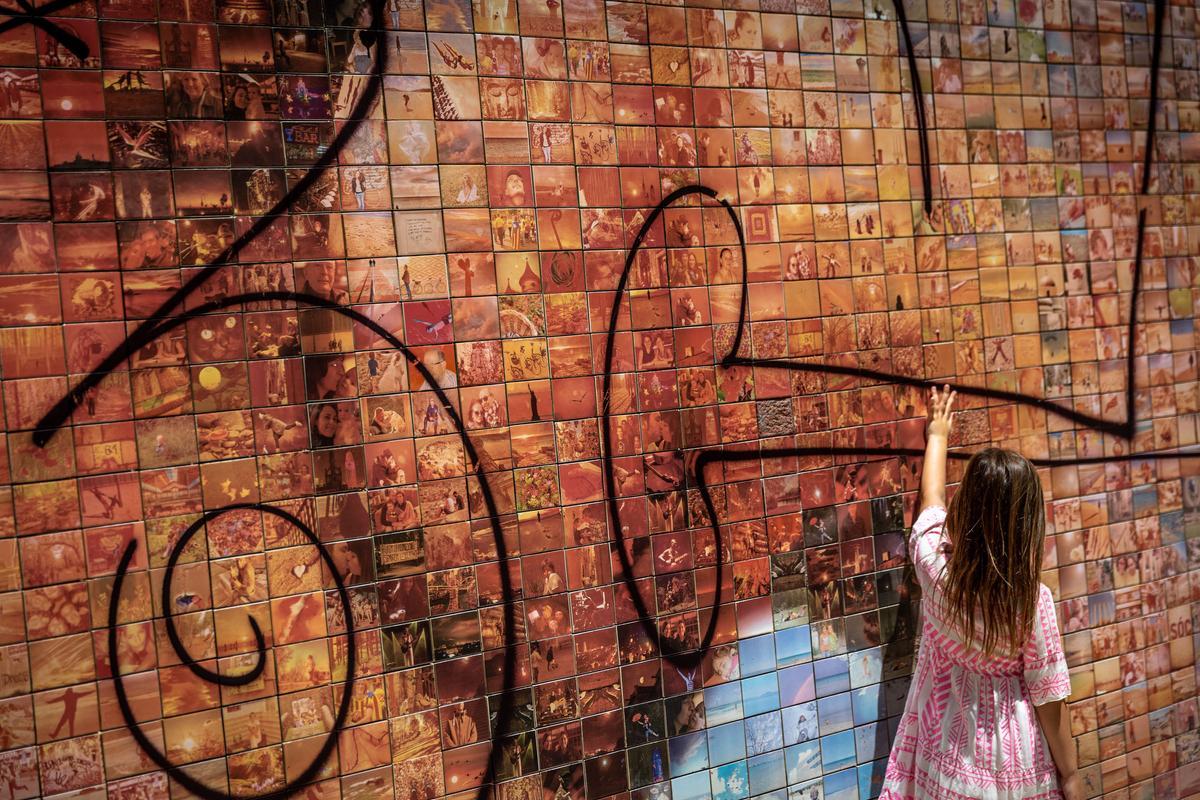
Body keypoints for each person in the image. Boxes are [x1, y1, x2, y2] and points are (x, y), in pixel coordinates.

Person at [879, 387, 1081, 800]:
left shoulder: (936, 570)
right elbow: (1049, 701)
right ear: (1026, 525)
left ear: (965, 507)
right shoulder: (1030, 603)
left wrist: (937, 433)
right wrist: (1073, 775)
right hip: (1016, 769)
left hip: (946, 757)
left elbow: (930, 501)